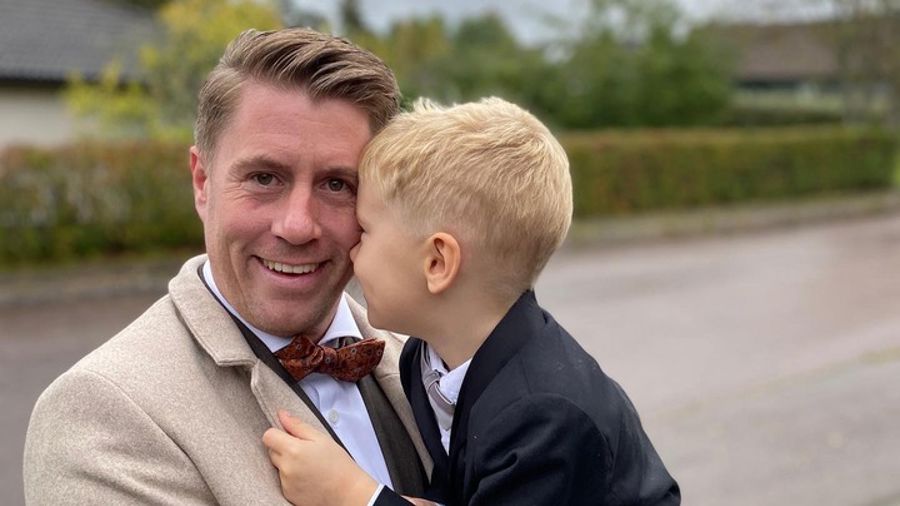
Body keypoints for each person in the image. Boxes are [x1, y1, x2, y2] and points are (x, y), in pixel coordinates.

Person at [23, 28, 431, 504]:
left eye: (337, 184)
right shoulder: (102, 412)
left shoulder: (427, 359)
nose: (298, 226)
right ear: (202, 182)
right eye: (264, 178)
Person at [262, 97, 681, 505]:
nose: (353, 251)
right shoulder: (422, 359)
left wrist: (354, 495)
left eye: (366, 231)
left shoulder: (545, 418)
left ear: (437, 262)